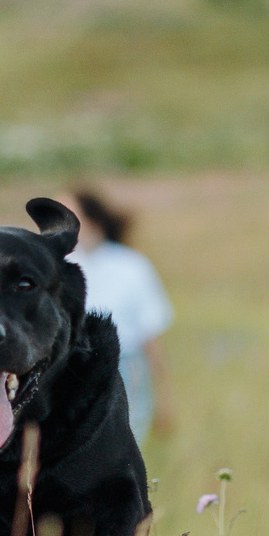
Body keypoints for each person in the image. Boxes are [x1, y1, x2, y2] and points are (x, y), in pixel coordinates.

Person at [66, 184, 174, 445]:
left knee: (124, 445)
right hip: (73, 368)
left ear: (91, 222)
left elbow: (150, 336)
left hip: (125, 367)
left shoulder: (130, 266)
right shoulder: (63, 266)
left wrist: (165, 394)